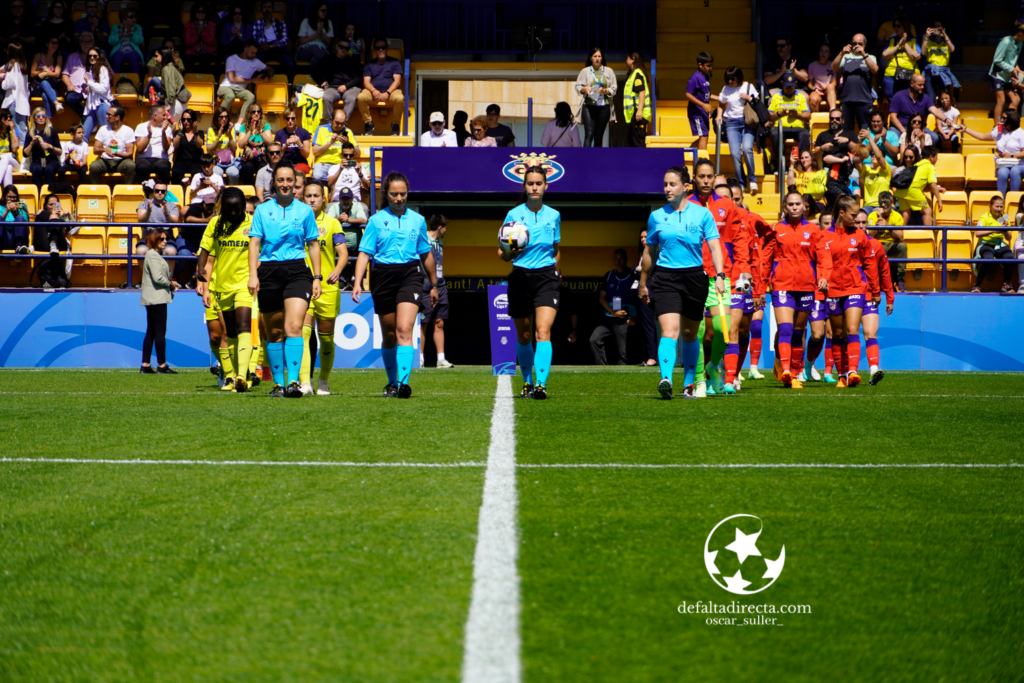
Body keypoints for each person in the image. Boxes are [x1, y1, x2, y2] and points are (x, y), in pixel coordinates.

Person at [638, 165, 724, 399]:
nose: (667, 188)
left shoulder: (703, 214)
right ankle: (665, 378)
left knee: (689, 333)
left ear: (686, 187)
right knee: (669, 330)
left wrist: (720, 275)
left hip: (695, 278)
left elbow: (715, 246)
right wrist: (644, 282)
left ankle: (688, 384)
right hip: (665, 278)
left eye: (672, 184)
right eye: (665, 184)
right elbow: (649, 252)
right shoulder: (656, 216)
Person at [352, 171, 436, 398]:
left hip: (410, 274)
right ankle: (391, 382)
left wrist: (435, 283)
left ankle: (403, 383)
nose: (399, 198)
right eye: (394, 194)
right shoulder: (376, 221)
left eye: (403, 194)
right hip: (383, 276)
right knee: (389, 334)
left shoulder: (417, 220)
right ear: (386, 195)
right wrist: (358, 282)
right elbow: (364, 253)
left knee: (404, 329)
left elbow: (425, 254)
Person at [248, 164, 321, 398]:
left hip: (298, 270)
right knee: (274, 332)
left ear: (295, 183)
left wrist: (317, 277)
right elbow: (254, 244)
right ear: (274, 182)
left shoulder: (305, 211)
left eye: (289, 180)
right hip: (268, 271)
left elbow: (313, 244)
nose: (285, 184)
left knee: (294, 327)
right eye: (281, 180)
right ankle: (278, 385)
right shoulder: (262, 210)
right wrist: (252, 274)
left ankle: (293, 382)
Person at [496, 166, 559, 399]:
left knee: (543, 331)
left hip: (546, 278)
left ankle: (541, 384)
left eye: (538, 183)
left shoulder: (554, 215)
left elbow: (556, 249)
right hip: (520, 276)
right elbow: (501, 253)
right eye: (530, 183)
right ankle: (527, 382)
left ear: (546, 186)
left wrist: (556, 272)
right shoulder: (514, 215)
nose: (534, 187)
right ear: (525, 186)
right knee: (524, 335)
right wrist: (510, 253)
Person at [760, 191, 831, 389]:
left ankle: (796, 371)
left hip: (806, 286)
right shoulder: (775, 229)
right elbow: (765, 260)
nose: (794, 207)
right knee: (785, 328)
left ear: (803, 206)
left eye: (797, 204)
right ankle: (786, 371)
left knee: (798, 331)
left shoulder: (814, 231)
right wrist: (761, 286)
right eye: (790, 204)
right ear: (784, 207)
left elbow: (824, 256)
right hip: (782, 285)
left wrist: (824, 276)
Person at [689, 161, 748, 396]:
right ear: (694, 178)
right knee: (699, 332)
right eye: (701, 176)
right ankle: (700, 379)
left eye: (709, 177)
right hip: (692, 276)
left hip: (720, 277)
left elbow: (740, 240)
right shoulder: (686, 205)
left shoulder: (726, 205)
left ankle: (714, 367)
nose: (705, 181)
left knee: (723, 332)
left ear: (715, 179)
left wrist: (743, 272)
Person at [196, 188, 254, 392]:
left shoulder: (253, 223)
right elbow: (204, 251)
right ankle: (230, 376)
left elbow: (263, 251)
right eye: (228, 210)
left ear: (243, 206)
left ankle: (242, 375)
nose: (233, 213)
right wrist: (200, 273)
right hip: (222, 285)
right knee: (229, 332)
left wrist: (257, 275)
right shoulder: (215, 223)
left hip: (245, 283)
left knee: (244, 326)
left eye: (237, 209)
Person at [820, 195, 881, 388]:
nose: (856, 219)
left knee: (852, 329)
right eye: (853, 215)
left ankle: (853, 371)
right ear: (841, 213)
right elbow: (822, 262)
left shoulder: (860, 236)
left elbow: (870, 264)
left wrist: (875, 289)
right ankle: (842, 375)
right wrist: (821, 279)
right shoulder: (824, 236)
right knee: (837, 334)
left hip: (855, 287)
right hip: (833, 289)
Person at [293, 179, 347, 395]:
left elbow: (343, 253)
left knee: (326, 339)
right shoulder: (297, 221)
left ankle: (323, 381)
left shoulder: (333, 224)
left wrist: (337, 270)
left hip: (327, 288)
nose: (312, 199)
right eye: (309, 196)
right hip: (302, 285)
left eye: (316, 195)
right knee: (303, 334)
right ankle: (305, 382)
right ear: (303, 198)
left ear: (324, 199)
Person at [723, 179, 770, 386]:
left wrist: (759, 290)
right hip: (719, 278)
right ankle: (725, 374)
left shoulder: (749, 219)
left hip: (743, 278)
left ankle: (735, 372)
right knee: (724, 329)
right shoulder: (712, 217)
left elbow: (759, 255)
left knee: (743, 328)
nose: (733, 203)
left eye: (737, 199)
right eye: (728, 199)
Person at [140, 230, 179, 374]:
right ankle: (161, 365)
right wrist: (171, 284)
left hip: (154, 297)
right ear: (154, 240)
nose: (165, 241)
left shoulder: (153, 255)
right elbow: (158, 278)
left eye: (166, 238)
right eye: (161, 239)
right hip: (156, 298)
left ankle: (146, 365)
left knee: (151, 331)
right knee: (160, 331)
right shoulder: (153, 255)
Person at [416, 214, 452, 369]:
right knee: (423, 323)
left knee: (439, 322)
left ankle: (441, 359)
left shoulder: (440, 242)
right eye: (445, 228)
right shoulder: (423, 240)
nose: (446, 231)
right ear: (440, 227)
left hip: (441, 285)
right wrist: (431, 286)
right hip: (426, 286)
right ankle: (420, 359)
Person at [590, 249, 637, 365]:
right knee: (594, 339)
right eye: (616, 259)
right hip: (609, 315)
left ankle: (623, 374)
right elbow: (602, 298)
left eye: (621, 258)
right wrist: (613, 312)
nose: (618, 261)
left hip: (625, 316)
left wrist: (635, 317)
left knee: (623, 352)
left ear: (626, 259)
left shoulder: (633, 276)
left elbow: (638, 299)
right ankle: (602, 369)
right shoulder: (609, 275)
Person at [960, 113, 1024, 196]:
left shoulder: (1021, 133)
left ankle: (1014, 199)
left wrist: (1011, 155)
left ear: (1011, 120)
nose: (1001, 120)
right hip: (1004, 163)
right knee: (1002, 173)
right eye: (1001, 117)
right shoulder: (999, 131)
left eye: (1004, 118)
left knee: (1015, 171)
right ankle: (1001, 201)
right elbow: (982, 136)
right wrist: (965, 129)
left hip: (1020, 164)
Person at [716, 66, 757, 192]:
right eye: (727, 78)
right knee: (734, 153)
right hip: (731, 123)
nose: (730, 81)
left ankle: (752, 179)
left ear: (739, 77)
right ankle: (741, 182)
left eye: (732, 78)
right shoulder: (726, 89)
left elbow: (758, 102)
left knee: (747, 149)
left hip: (747, 122)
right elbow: (721, 104)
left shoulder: (748, 86)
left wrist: (748, 97)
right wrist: (718, 115)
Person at [863, 229, 895, 385]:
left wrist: (890, 297)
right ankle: (847, 373)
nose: (861, 225)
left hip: (870, 295)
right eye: (857, 222)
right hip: (846, 295)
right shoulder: (842, 243)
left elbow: (884, 271)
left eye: (864, 222)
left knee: (870, 333)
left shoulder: (876, 245)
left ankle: (874, 369)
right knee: (845, 335)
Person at [888, 74, 952, 147]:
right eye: (920, 85)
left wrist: (946, 120)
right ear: (912, 83)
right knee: (892, 136)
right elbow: (893, 117)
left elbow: (935, 110)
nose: (922, 87)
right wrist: (905, 132)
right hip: (901, 127)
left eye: (923, 85)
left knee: (934, 137)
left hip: (919, 127)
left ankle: (923, 155)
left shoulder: (925, 97)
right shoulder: (899, 96)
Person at [357, 38, 404, 135]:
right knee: (361, 97)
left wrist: (387, 93)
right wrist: (374, 91)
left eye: (383, 47)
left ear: (387, 49)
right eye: (378, 48)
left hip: (391, 92)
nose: (381, 50)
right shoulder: (369, 64)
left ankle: (395, 124)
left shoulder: (395, 62)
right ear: (374, 50)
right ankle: (368, 123)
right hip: (373, 92)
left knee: (400, 98)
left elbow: (397, 81)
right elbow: (366, 82)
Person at [833, 35, 879, 132]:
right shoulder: (845, 56)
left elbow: (875, 70)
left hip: (864, 99)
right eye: (854, 43)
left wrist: (863, 55)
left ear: (864, 45)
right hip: (847, 99)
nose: (857, 46)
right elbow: (833, 68)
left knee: (865, 130)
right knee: (846, 131)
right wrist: (841, 53)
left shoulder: (870, 57)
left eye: (860, 44)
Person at [217, 41, 271, 124]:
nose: (254, 55)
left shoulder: (255, 62)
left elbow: (271, 69)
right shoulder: (231, 59)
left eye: (255, 53)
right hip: (226, 86)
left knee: (251, 96)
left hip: (241, 89)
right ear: (245, 49)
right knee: (230, 96)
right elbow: (232, 79)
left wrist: (267, 76)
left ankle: (239, 123)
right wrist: (252, 80)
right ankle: (219, 120)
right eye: (252, 52)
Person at [815, 109, 857, 209]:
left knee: (856, 177)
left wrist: (847, 141)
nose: (834, 120)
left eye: (837, 118)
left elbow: (858, 151)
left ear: (842, 120)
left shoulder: (850, 134)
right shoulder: (823, 135)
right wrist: (822, 148)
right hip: (828, 168)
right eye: (832, 118)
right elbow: (816, 155)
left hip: (847, 169)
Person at [575, 47, 617, 147]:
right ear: (591, 58)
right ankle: (586, 158)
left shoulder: (609, 71)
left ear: (602, 58)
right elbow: (577, 86)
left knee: (599, 136)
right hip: (588, 106)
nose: (597, 58)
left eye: (599, 56)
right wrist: (585, 89)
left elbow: (614, 88)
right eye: (595, 56)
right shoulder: (585, 71)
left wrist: (605, 91)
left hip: (604, 107)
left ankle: (596, 160)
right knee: (589, 134)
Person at [973, 195, 1016, 292]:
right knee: (988, 258)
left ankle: (1006, 284)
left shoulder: (1004, 218)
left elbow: (1008, 237)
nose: (999, 209)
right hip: (986, 244)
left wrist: (1005, 230)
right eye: (996, 206)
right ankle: (977, 285)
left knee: (1010, 257)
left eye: (1001, 207)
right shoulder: (985, 217)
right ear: (990, 206)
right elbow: (977, 233)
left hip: (999, 244)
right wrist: (994, 230)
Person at [867, 191, 908, 291]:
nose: (884, 205)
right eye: (881, 203)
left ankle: (900, 279)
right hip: (878, 244)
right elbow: (869, 236)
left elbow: (900, 238)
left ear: (891, 202)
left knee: (902, 246)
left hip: (892, 244)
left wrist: (887, 226)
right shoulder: (872, 216)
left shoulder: (897, 216)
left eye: (886, 202)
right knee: (870, 245)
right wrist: (879, 219)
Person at [314, 38, 363, 122]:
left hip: (349, 88)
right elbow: (315, 72)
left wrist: (346, 86)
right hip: (332, 88)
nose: (344, 49)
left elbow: (358, 78)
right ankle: (329, 123)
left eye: (346, 48)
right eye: (341, 47)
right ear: (336, 46)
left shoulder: (352, 61)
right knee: (327, 97)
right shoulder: (328, 59)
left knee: (351, 98)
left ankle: (342, 123)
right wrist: (321, 81)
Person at [895, 145, 944, 225]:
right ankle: (928, 235)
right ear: (931, 157)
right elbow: (933, 185)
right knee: (928, 211)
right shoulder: (930, 167)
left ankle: (899, 235)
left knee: (906, 215)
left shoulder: (916, 165)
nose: (937, 159)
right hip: (913, 191)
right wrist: (939, 200)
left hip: (901, 191)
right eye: (936, 157)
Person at [88, 104, 135, 183]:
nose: (106, 116)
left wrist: (117, 154)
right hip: (105, 160)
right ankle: (97, 192)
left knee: (131, 166)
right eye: (107, 114)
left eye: (109, 115)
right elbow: (95, 150)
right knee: (93, 166)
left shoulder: (128, 130)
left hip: (122, 160)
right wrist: (105, 150)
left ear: (117, 117)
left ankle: (128, 191)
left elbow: (130, 153)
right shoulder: (103, 129)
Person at [767, 73, 811, 156]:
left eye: (791, 86)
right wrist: (779, 113)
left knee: (805, 134)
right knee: (775, 133)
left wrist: (797, 115)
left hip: (798, 128)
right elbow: (768, 115)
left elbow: (808, 115)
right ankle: (780, 164)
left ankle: (800, 163)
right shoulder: (776, 97)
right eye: (787, 86)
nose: (789, 88)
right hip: (779, 127)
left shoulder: (801, 97)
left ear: (795, 83)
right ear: (782, 83)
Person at [989, 23, 1024, 125]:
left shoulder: (1020, 43)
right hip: (997, 75)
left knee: (1016, 99)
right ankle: (996, 128)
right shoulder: (1005, 41)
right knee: (1001, 101)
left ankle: (1007, 124)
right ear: (1021, 33)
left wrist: (1018, 69)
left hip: (1007, 76)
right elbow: (997, 60)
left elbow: (1013, 60)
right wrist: (1011, 68)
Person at [135, 180, 180, 257]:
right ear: (153, 191)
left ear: (166, 192)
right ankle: (146, 270)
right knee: (141, 251)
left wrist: (166, 214)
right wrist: (148, 212)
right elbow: (141, 221)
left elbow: (174, 224)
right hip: (148, 238)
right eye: (157, 191)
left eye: (162, 191)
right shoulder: (144, 204)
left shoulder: (172, 206)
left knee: (170, 252)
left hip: (166, 240)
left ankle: (168, 270)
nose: (159, 193)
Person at [311, 109, 357, 181]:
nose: (339, 126)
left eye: (342, 123)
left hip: (342, 163)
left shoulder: (348, 131)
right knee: (317, 176)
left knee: (353, 176)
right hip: (324, 162)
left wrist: (347, 143)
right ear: (331, 119)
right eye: (337, 123)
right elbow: (315, 151)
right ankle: (332, 184)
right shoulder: (321, 129)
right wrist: (330, 143)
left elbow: (358, 153)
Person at [134, 104, 174, 184]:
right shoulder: (141, 127)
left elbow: (166, 149)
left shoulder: (168, 129)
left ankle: (163, 193)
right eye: (164, 115)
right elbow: (140, 149)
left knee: (164, 167)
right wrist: (149, 135)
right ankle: (144, 193)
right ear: (155, 116)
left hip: (161, 159)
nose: (166, 117)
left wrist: (163, 132)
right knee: (142, 167)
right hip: (144, 158)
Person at [22, 108, 61, 190]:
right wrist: (32, 143)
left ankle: (49, 196)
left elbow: (60, 152)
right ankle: (39, 196)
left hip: (51, 160)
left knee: (49, 169)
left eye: (43, 116)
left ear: (46, 118)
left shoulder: (52, 132)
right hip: (37, 161)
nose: (41, 118)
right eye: (38, 116)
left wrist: (50, 146)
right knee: (37, 169)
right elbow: (25, 154)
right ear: (34, 118)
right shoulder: (30, 133)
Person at [635, 229, 657, 367]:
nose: (643, 239)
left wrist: (639, 269)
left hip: (655, 293)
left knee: (669, 326)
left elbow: (652, 270)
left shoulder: (657, 251)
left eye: (645, 236)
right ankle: (651, 358)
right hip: (644, 293)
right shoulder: (643, 253)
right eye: (641, 237)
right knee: (648, 327)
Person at [921, 20, 959, 104]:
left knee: (944, 97)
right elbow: (923, 53)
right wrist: (926, 37)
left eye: (939, 26)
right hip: (930, 72)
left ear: (943, 28)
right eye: (935, 26)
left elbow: (952, 49)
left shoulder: (947, 40)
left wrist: (945, 35)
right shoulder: (928, 40)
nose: (937, 28)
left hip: (943, 72)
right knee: (931, 98)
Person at [252, 0, 293, 76]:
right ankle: (259, 83)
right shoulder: (257, 23)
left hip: (277, 50)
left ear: (273, 10)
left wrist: (271, 46)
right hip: (263, 51)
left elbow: (285, 39)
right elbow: (255, 39)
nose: (267, 9)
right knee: (253, 63)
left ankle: (287, 83)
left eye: (269, 7)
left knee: (290, 64)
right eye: (265, 7)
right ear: (261, 10)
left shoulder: (281, 23)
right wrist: (262, 46)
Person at [81, 48, 114, 142]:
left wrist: (89, 83)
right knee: (84, 134)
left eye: (94, 56)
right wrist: (86, 86)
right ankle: (82, 156)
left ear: (99, 57)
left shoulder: (103, 69)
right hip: (92, 106)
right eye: (90, 56)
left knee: (107, 132)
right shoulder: (90, 69)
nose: (92, 58)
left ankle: (113, 153)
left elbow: (103, 89)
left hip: (102, 104)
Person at [881, 18, 919, 100]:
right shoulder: (891, 40)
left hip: (910, 75)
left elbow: (916, 56)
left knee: (908, 100)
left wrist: (904, 43)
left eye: (898, 26)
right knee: (892, 98)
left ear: (905, 27)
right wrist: (898, 45)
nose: (896, 28)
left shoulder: (913, 40)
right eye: (894, 26)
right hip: (892, 74)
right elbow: (884, 55)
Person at [235, 103, 273, 184]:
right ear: (249, 113)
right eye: (253, 111)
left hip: (262, 158)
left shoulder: (266, 126)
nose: (256, 113)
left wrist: (260, 131)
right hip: (249, 159)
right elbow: (241, 145)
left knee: (263, 167)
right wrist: (250, 132)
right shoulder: (244, 127)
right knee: (247, 167)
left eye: (258, 111)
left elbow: (270, 143)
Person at [685, 52, 715, 151]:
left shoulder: (706, 77)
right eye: (708, 66)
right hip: (697, 112)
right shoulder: (695, 78)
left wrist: (719, 98)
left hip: (703, 112)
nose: (710, 68)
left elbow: (705, 94)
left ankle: (685, 155)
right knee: (703, 136)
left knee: (705, 137)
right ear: (700, 64)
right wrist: (703, 105)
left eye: (712, 66)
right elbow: (688, 94)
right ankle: (702, 161)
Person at [2, 44, 31, 145]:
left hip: (13, 101)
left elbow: (8, 84)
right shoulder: (24, 67)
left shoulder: (11, 65)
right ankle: (22, 150)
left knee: (17, 127)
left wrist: (2, 80)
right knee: (22, 127)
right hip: (22, 102)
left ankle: (20, 151)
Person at [170, 109, 206, 186]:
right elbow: (175, 145)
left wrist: (195, 132)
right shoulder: (178, 133)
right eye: (184, 119)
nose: (186, 122)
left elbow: (199, 145)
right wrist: (179, 132)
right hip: (181, 161)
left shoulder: (199, 133)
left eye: (189, 120)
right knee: (176, 171)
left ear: (193, 121)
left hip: (195, 161)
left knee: (197, 173)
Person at [31, 37, 64, 118]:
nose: (55, 45)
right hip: (37, 87)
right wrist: (42, 72)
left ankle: (48, 121)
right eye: (52, 42)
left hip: (52, 88)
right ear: (47, 44)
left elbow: (57, 74)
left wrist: (46, 74)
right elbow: (32, 74)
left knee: (45, 95)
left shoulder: (59, 57)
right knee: (44, 83)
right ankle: (56, 104)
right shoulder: (38, 56)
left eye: (56, 43)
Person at [623, 51, 651, 148]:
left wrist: (639, 110)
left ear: (633, 59)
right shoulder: (632, 74)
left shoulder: (637, 74)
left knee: (638, 142)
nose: (625, 60)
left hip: (639, 114)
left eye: (627, 58)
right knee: (632, 141)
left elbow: (641, 92)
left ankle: (641, 162)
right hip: (635, 114)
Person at [183, 3, 219, 74]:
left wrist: (203, 32)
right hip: (192, 51)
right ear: (194, 12)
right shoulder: (189, 25)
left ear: (206, 13)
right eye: (198, 11)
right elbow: (188, 43)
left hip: (208, 52)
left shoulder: (212, 25)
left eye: (203, 12)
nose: (200, 13)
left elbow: (211, 42)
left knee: (205, 59)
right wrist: (197, 35)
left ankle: (204, 82)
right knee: (187, 60)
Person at [207, 107, 239, 184]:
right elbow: (209, 150)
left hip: (229, 162)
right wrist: (218, 136)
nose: (224, 119)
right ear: (216, 118)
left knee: (234, 173)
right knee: (217, 173)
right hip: (216, 162)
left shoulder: (232, 130)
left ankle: (232, 193)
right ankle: (219, 193)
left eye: (226, 117)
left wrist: (229, 135)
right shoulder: (211, 130)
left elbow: (234, 149)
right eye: (221, 117)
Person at [275, 107, 312, 172]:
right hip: (284, 163)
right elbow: (277, 156)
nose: (290, 121)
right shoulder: (279, 133)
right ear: (284, 119)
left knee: (297, 172)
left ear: (296, 119)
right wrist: (285, 145)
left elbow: (306, 155)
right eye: (287, 118)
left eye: (293, 118)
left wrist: (300, 144)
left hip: (300, 162)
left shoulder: (304, 133)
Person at [108, 8, 144, 75]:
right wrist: (121, 33)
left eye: (135, 17)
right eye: (131, 17)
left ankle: (137, 82)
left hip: (132, 51)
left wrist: (131, 33)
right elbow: (110, 42)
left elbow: (140, 41)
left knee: (135, 60)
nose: (134, 19)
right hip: (119, 51)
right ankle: (115, 81)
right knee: (117, 60)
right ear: (123, 19)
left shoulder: (138, 27)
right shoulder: (115, 27)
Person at [297, 1, 334, 66]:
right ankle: (329, 69)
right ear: (316, 10)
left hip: (322, 50)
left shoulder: (328, 22)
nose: (325, 12)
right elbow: (302, 41)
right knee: (314, 47)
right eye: (323, 10)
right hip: (305, 51)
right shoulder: (306, 21)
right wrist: (316, 34)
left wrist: (321, 32)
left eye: (326, 10)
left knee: (314, 60)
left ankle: (315, 76)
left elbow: (328, 43)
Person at [0, 184, 30, 254]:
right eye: (9, 197)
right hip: (4, 236)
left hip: (17, 236)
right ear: (4, 196)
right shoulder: (0, 207)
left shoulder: (22, 207)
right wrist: (6, 211)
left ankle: (19, 248)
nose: (12, 199)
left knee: (20, 218)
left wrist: (15, 212)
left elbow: (25, 222)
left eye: (14, 197)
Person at [807, 43, 836, 112]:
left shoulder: (833, 65)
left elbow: (834, 82)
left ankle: (833, 114)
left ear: (829, 54)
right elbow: (810, 84)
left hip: (828, 90)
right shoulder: (812, 65)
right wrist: (815, 89)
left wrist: (825, 87)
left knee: (830, 87)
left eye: (826, 51)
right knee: (813, 99)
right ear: (819, 53)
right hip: (817, 90)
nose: (823, 53)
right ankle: (816, 121)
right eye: (821, 51)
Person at [58, 123, 88, 190]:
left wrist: (81, 165)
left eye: (82, 132)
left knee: (83, 171)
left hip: (81, 164)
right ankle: (61, 188)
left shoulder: (84, 145)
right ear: (72, 134)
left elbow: (85, 161)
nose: (81, 134)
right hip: (71, 164)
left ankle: (81, 189)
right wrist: (70, 155)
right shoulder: (68, 144)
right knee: (60, 170)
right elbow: (66, 161)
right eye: (79, 133)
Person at [0, 110, 18, 188]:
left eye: (10, 117)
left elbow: (14, 149)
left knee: (6, 158)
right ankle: (7, 194)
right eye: (6, 117)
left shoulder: (13, 131)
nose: (9, 119)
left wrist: (13, 130)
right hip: (2, 164)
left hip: (13, 161)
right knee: (8, 168)